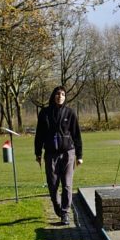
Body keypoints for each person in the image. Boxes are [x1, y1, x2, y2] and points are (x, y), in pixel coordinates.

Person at [34, 86, 83, 225]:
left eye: (62, 94)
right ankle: (58, 207)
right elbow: (39, 135)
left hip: (68, 153)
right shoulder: (45, 113)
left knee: (67, 184)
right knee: (52, 184)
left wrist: (79, 155)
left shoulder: (70, 113)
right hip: (50, 154)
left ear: (65, 97)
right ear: (53, 96)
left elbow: (77, 135)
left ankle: (65, 212)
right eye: (57, 94)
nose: (60, 96)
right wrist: (38, 153)